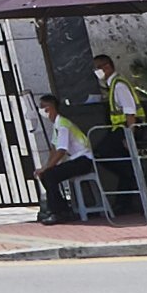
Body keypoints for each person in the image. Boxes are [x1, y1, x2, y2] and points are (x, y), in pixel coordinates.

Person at [33, 95, 100, 224]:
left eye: (42, 106)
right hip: (75, 160)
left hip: (83, 160)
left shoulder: (63, 125)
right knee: (46, 175)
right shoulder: (57, 125)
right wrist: (45, 167)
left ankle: (58, 212)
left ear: (50, 108)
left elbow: (61, 150)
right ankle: (60, 209)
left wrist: (47, 168)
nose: (40, 110)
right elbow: (54, 149)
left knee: (50, 175)